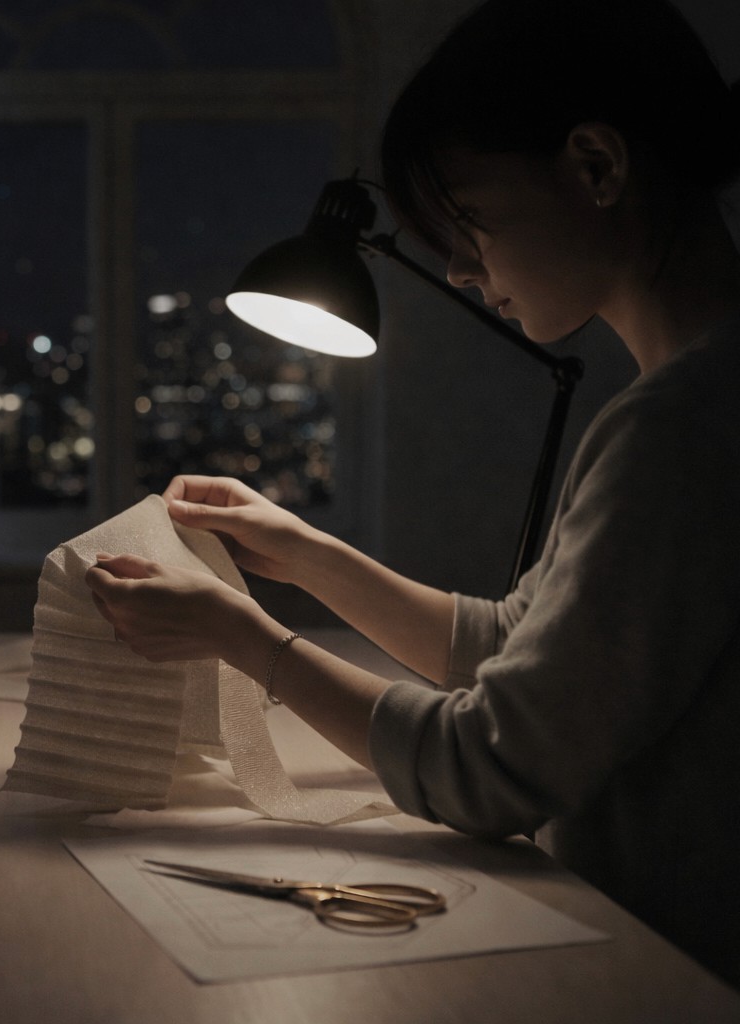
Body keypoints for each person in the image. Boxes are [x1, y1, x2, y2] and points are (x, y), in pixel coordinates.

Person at [85, 0, 740, 988]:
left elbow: (489, 767)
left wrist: (242, 635)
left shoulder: (683, 430)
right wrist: (304, 553)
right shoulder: (685, 404)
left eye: (471, 222)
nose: (463, 272)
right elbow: (523, 655)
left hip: (663, 976)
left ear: (597, 167)